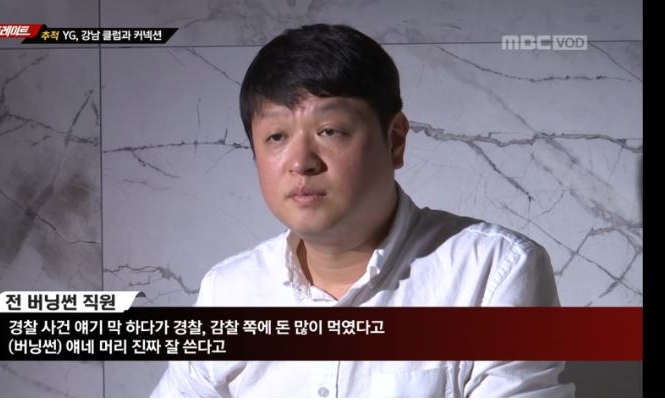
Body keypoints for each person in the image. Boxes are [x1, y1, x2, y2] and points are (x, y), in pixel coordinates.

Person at [151, 23, 575, 398]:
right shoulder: (228, 292)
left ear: (395, 140)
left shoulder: (492, 271)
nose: (301, 162)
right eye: (276, 137)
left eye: (329, 130)